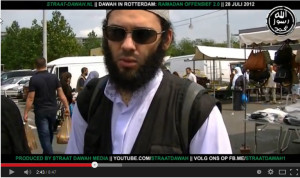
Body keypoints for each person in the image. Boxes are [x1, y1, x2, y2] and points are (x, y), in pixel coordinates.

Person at [66, 10, 231, 154]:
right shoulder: (90, 101)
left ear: (166, 39)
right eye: (116, 32)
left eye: (143, 34)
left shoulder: (197, 110)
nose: (127, 45)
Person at [24, 57, 69, 154]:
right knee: (49, 133)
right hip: (53, 110)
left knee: (44, 135)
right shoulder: (54, 77)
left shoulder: (34, 79)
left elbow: (31, 98)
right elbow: (61, 95)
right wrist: (66, 107)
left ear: (36, 66)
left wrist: (26, 112)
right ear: (45, 65)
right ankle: (47, 154)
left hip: (41, 111)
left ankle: (49, 155)